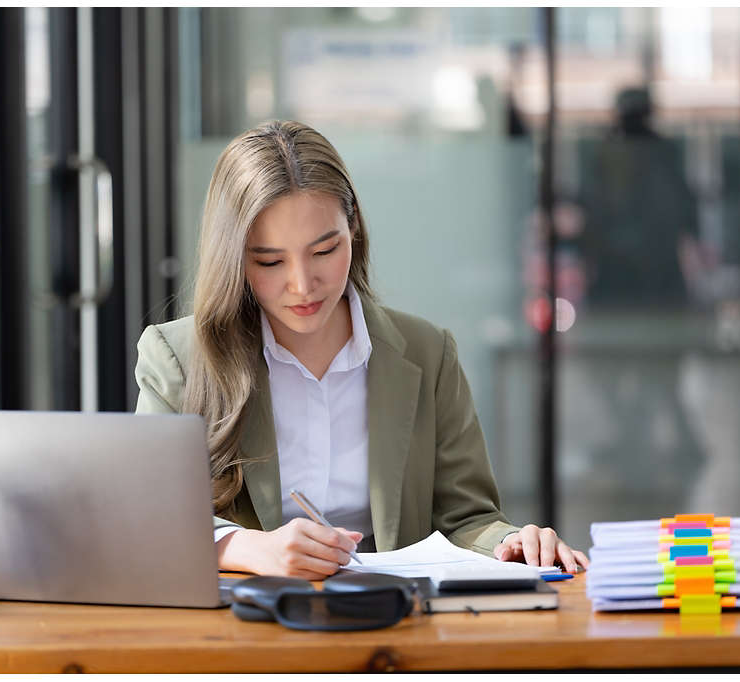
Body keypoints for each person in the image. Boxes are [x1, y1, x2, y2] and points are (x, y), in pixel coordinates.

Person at [134, 120, 588, 579]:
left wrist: (509, 542)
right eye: (270, 261)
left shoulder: (427, 353)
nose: (301, 284)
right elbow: (148, 517)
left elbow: (466, 518)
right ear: (233, 257)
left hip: (391, 623)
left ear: (353, 228)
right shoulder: (178, 359)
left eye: (325, 250)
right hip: (246, 633)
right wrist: (244, 547)